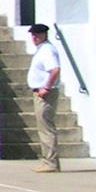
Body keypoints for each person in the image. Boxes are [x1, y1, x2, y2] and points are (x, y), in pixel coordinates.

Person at [27, 23, 62, 173]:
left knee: (46, 128)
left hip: (46, 93)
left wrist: (46, 87)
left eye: (37, 34)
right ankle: (48, 160)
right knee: (43, 127)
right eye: (33, 34)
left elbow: (55, 70)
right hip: (40, 91)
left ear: (44, 34)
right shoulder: (42, 49)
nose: (34, 37)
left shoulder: (47, 50)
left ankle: (50, 162)